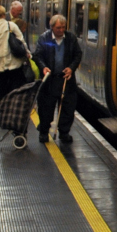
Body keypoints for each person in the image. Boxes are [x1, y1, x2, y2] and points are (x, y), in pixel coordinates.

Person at [33, 14, 81, 144]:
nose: (61, 30)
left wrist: (71, 68)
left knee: (67, 108)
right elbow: (37, 55)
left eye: (63, 27)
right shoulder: (44, 38)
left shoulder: (71, 38)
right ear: (52, 27)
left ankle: (64, 132)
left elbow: (78, 54)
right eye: (58, 28)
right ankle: (43, 132)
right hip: (50, 80)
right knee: (46, 107)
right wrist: (43, 67)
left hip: (66, 79)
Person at [0, 5, 27, 105]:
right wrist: (27, 54)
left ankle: (2, 107)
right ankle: (13, 107)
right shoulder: (11, 25)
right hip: (13, 63)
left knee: (1, 87)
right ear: (4, 15)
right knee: (14, 87)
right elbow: (21, 41)